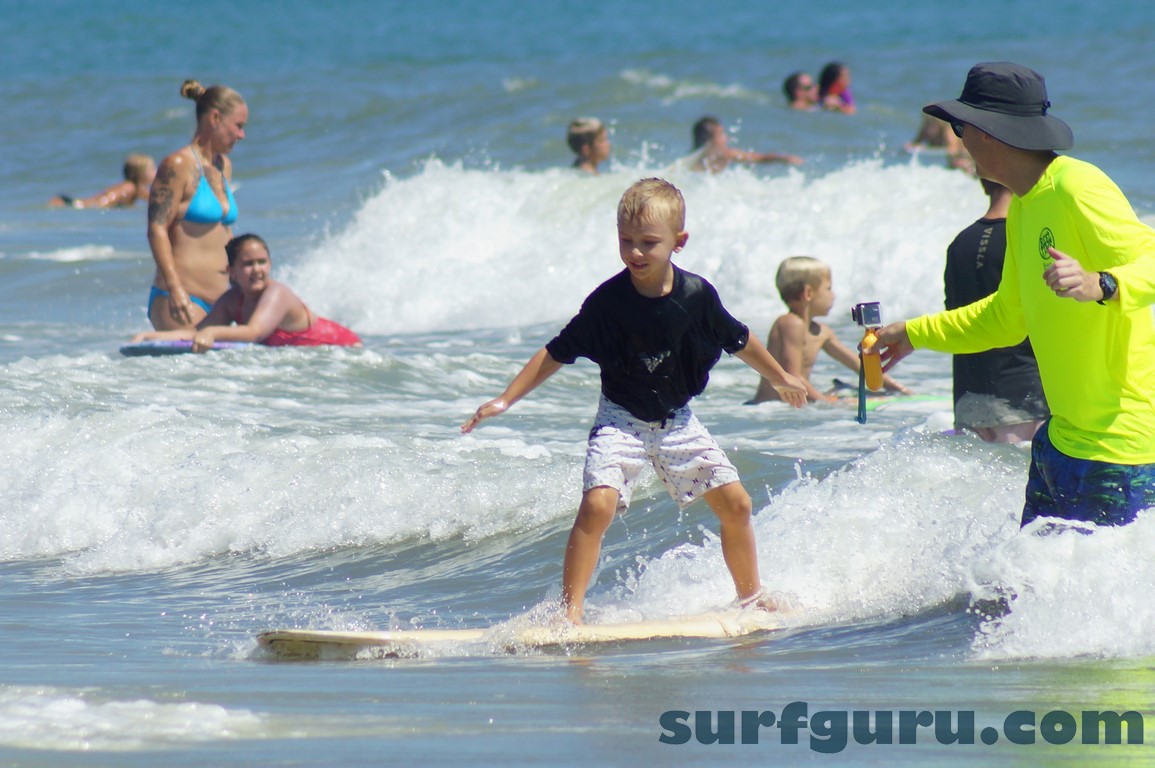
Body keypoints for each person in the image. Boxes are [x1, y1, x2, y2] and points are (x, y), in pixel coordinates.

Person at [461, 178, 808, 623]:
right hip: (620, 417)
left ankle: (750, 598)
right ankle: (570, 614)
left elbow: (738, 339)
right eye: (626, 241)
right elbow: (556, 352)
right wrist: (505, 400)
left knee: (737, 504)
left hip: (677, 419)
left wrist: (779, 376)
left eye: (648, 243)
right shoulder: (607, 303)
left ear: (678, 242)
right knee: (598, 504)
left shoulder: (696, 296)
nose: (635, 253)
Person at [874, 61, 1155, 528]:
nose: (958, 141)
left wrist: (1101, 283)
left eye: (960, 127)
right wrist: (914, 333)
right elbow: (1006, 316)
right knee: (1020, 591)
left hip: (1118, 446)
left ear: (988, 133)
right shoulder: (1025, 206)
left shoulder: (1076, 186)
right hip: (1061, 438)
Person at [944, 178, 1047, 444]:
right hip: (1021, 395)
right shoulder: (1024, 239)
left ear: (984, 183)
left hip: (968, 394)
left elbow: (954, 319)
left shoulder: (959, 243)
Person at [131, 234, 361, 351]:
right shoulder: (232, 301)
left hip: (344, 350)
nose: (257, 270)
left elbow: (254, 333)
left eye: (262, 262)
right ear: (232, 271)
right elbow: (196, 333)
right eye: (248, 264)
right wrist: (150, 337)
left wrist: (212, 333)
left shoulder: (277, 294)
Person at [147, 79, 248, 331]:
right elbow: (156, 229)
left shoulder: (223, 166)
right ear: (215, 118)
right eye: (238, 126)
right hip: (182, 300)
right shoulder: (178, 165)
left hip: (221, 302)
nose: (242, 135)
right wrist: (175, 288)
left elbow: (223, 231)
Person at [749, 256, 908, 404]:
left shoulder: (822, 331)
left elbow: (859, 365)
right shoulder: (790, 324)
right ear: (808, 293)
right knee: (843, 399)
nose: (833, 296)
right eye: (828, 288)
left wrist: (897, 389)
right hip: (769, 408)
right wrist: (829, 404)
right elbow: (794, 376)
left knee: (850, 393)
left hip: (793, 406)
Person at [689, 116, 802, 173]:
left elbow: (758, 158)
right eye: (721, 135)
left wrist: (782, 158)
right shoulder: (697, 160)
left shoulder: (726, 154)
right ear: (709, 141)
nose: (725, 138)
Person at [49, 154, 156, 209]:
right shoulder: (130, 187)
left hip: (82, 203)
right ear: (139, 173)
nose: (156, 172)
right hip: (83, 205)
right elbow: (104, 202)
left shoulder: (132, 187)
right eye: (152, 169)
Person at [904, 114, 975, 174]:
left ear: (938, 123)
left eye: (932, 124)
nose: (929, 130)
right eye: (927, 123)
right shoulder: (926, 129)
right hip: (951, 162)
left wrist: (926, 148)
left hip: (965, 159)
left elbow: (953, 150)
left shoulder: (948, 131)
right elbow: (915, 144)